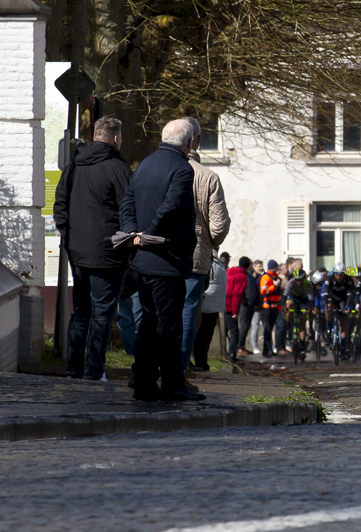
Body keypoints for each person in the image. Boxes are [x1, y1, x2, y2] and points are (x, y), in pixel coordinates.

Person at [119, 118, 201, 402]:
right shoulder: (181, 168)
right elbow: (173, 206)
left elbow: (128, 201)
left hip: (143, 259)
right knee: (169, 326)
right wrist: (150, 233)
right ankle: (172, 384)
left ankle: (143, 382)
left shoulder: (146, 164)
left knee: (150, 325)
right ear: (191, 143)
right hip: (166, 258)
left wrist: (133, 233)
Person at [52, 116, 132, 381]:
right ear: (116, 139)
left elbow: (60, 207)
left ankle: (74, 369)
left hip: (77, 252)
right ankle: (93, 371)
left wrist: (69, 238)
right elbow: (129, 209)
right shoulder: (117, 168)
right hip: (108, 253)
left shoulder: (72, 167)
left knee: (81, 312)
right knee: (102, 313)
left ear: (95, 134)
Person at [181, 117, 230, 373]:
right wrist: (211, 243)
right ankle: (187, 365)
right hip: (199, 255)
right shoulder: (208, 177)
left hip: (160, 254)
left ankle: (159, 362)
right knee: (193, 312)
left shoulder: (151, 169)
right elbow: (220, 226)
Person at [193, 252, 227, 370]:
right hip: (206, 305)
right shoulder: (207, 260)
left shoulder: (215, 262)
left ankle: (201, 362)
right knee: (202, 337)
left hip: (211, 305)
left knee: (205, 337)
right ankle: (199, 362)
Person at [225, 256, 250, 359]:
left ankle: (223, 352)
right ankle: (232, 354)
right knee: (234, 331)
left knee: (225, 329)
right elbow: (237, 294)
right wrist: (235, 311)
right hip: (231, 306)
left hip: (223, 303)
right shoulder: (241, 276)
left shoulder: (229, 272)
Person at [258, 259, 282, 357]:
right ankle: (267, 350)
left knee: (271, 328)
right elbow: (263, 291)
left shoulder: (275, 277)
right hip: (267, 307)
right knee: (267, 329)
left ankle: (269, 349)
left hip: (275, 306)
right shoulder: (266, 277)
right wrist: (274, 286)